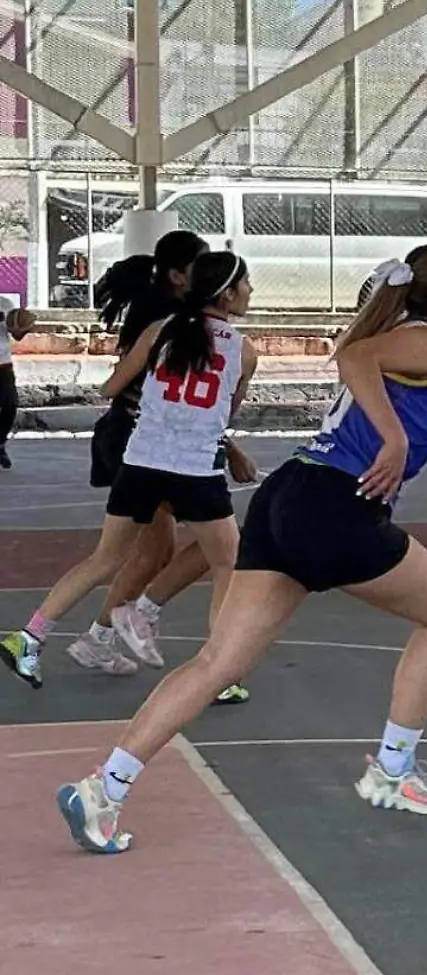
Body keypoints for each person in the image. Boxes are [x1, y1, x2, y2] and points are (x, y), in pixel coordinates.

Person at [55, 247, 427, 854]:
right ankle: (393, 768)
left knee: (216, 665)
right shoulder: (425, 343)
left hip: (290, 499)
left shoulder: (418, 363)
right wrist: (390, 439)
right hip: (335, 503)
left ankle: (103, 790)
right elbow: (352, 356)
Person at [2, 253, 258, 691]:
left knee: (105, 557)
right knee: (229, 563)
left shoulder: (161, 332)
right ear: (227, 292)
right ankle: (218, 671)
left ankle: (30, 636)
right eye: (247, 284)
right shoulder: (242, 350)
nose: (251, 291)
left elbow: (112, 387)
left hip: (140, 461)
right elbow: (224, 412)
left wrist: (156, 401)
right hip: (194, 469)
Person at [74, 232, 256, 694]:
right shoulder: (195, 331)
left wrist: (227, 447)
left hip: (154, 451)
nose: (251, 292)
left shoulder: (173, 323)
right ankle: (206, 663)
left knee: (191, 552)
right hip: (164, 453)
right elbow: (208, 407)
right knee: (199, 556)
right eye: (246, 284)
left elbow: (127, 389)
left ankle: (104, 631)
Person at [0, 295, 30, 470]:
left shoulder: (6, 304)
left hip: (3, 364)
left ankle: (0, 443)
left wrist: (24, 327)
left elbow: (17, 335)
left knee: (10, 405)